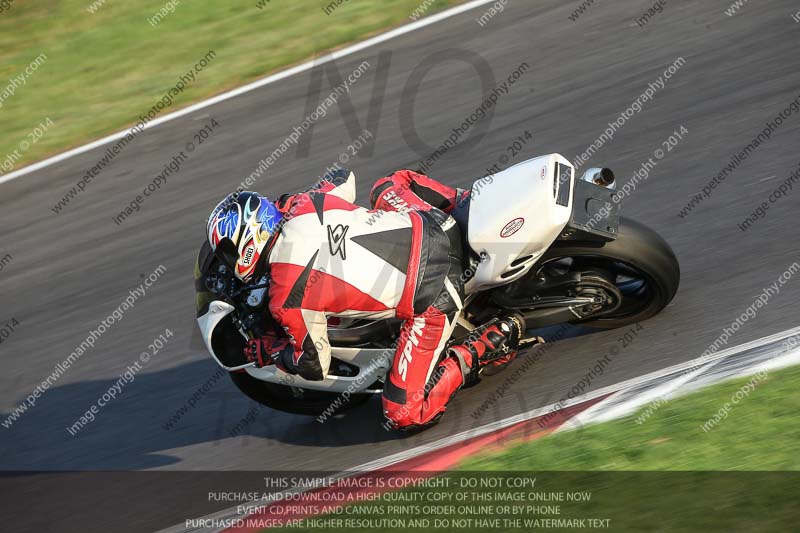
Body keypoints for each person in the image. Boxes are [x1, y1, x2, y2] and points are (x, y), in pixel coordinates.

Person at [204, 168, 523, 430]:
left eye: (228, 253)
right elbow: (343, 177)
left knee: (404, 415)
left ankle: (484, 346)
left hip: (435, 294)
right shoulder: (305, 203)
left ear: (246, 245)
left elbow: (314, 365)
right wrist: (291, 202)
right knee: (391, 182)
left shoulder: (286, 296)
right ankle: (467, 203)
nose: (229, 261)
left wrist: (273, 350)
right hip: (434, 222)